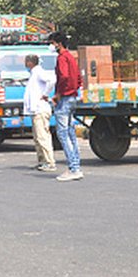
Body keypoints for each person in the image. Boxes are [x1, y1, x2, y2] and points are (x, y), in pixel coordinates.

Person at [48, 32, 83, 182]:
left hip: (65, 98)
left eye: (52, 43)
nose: (51, 46)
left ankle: (73, 168)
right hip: (73, 96)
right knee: (70, 133)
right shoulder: (71, 57)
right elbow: (78, 78)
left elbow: (64, 77)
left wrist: (59, 94)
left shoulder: (62, 58)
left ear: (58, 43)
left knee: (63, 134)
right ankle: (76, 166)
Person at [23, 54, 57, 172]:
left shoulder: (38, 72)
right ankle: (42, 161)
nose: (25, 64)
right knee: (37, 138)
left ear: (30, 62)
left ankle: (49, 162)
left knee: (43, 137)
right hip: (35, 111)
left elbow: (52, 80)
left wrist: (46, 94)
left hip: (40, 109)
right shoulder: (33, 74)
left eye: (26, 61)